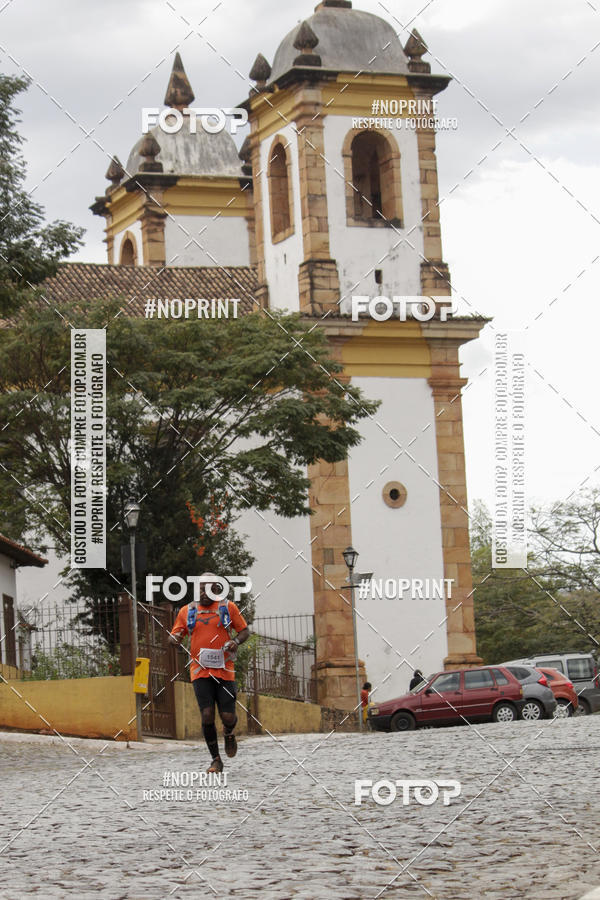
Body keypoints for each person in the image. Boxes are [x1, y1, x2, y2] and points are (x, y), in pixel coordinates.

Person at [169, 574, 249, 773]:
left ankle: (229, 732)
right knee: (206, 715)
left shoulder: (227, 608)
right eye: (201, 589)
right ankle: (216, 759)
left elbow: (244, 631)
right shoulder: (188, 611)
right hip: (200, 671)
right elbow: (173, 637)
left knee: (228, 715)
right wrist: (175, 639)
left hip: (225, 670)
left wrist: (235, 642)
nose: (204, 593)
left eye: (209, 589)